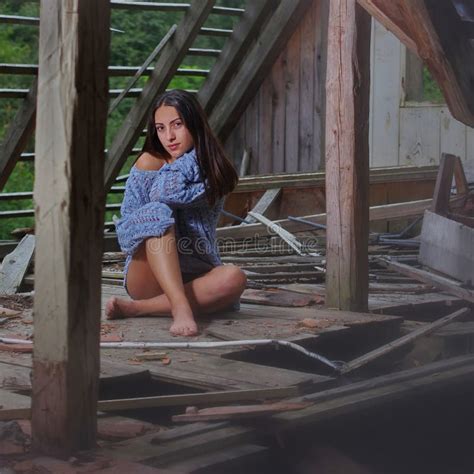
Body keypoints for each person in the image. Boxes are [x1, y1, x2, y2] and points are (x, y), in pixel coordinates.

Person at [105, 90, 247, 337]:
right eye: (160, 128)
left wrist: (180, 163)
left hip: (196, 273)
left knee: (234, 277)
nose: (168, 137)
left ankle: (139, 309)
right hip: (147, 276)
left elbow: (166, 190)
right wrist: (152, 215)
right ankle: (180, 307)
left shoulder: (211, 170)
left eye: (177, 125)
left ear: (194, 123)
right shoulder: (148, 162)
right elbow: (126, 235)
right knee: (158, 213)